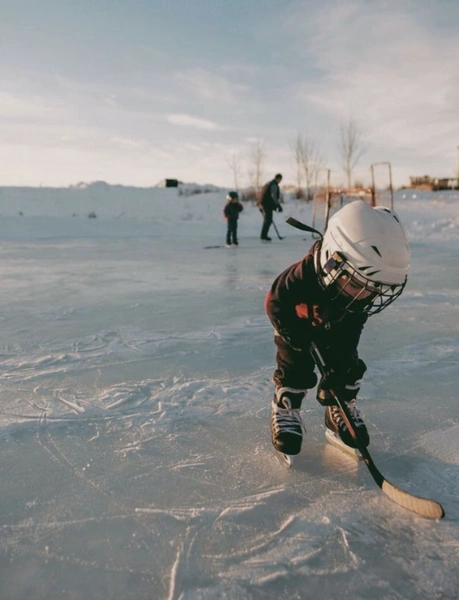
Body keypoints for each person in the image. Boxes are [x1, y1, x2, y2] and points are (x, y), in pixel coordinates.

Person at [265, 200, 410, 457]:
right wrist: (297, 336)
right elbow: (275, 303)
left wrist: (340, 364)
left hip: (339, 328)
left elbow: (355, 326)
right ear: (333, 260)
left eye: (374, 289)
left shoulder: (360, 292)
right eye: (358, 284)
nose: (365, 295)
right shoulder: (301, 276)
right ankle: (286, 406)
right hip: (297, 330)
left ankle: (338, 408)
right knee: (294, 369)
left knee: (346, 367)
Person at [258, 174, 283, 241]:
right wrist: (278, 205)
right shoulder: (273, 184)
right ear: (278, 178)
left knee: (268, 219)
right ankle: (263, 236)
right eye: (280, 179)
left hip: (264, 203)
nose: (280, 181)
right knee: (268, 220)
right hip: (266, 204)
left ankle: (263, 235)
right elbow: (273, 195)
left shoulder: (269, 183)